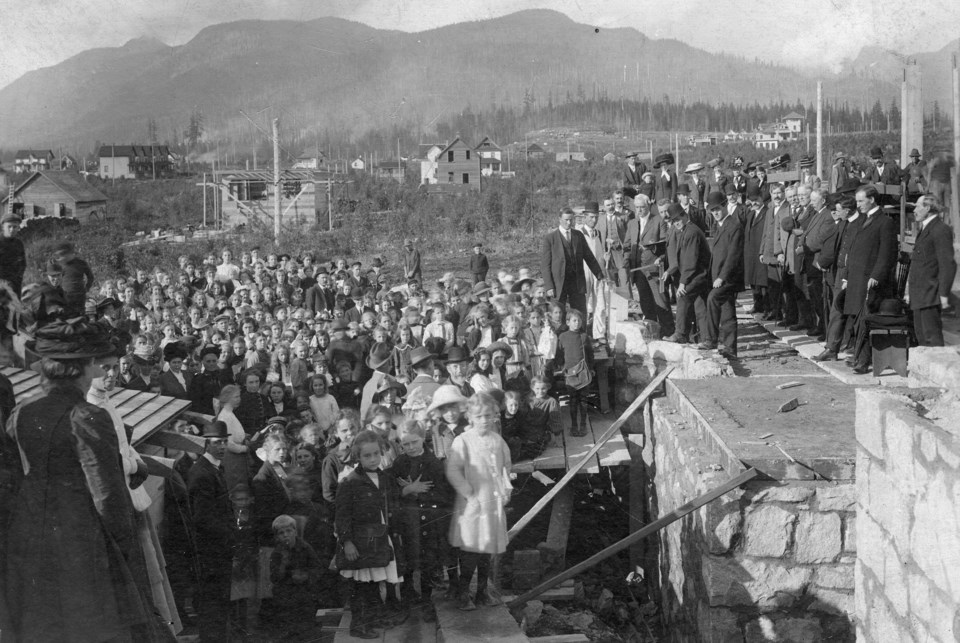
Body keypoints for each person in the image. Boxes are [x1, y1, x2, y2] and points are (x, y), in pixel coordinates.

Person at [0, 319, 173, 642]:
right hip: (80, 544)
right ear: (86, 367)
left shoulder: (22, 412)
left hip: (27, 541)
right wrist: (123, 554)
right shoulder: (88, 416)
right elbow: (108, 497)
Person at [336, 429, 405, 639]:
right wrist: (347, 542)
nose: (373, 459)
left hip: (381, 538)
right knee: (361, 584)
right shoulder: (350, 482)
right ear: (358, 456)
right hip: (361, 541)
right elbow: (342, 515)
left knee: (377, 581)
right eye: (367, 455)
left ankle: (373, 620)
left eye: (376, 454)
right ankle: (358, 625)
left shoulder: (384, 477)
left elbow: (391, 507)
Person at [446, 392, 512, 611]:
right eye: (479, 416)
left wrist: (506, 487)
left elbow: (505, 468)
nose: (484, 420)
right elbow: (453, 470)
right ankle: (463, 592)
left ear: (494, 416)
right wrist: (468, 493)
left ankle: (482, 591)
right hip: (472, 504)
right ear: (470, 417)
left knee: (488, 548)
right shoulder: (462, 441)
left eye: (488, 415)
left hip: (492, 503)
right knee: (471, 549)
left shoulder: (497, 440)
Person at [389, 421, 453, 621]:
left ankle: (427, 601)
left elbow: (442, 495)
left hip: (428, 520)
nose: (410, 447)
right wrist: (406, 489)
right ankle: (408, 597)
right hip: (407, 520)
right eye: (405, 444)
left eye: (414, 442)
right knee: (407, 558)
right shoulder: (399, 463)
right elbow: (391, 489)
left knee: (427, 560)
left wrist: (416, 492)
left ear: (422, 439)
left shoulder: (433, 463)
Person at [187, 420, 237, 642]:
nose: (222, 447)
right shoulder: (202, 473)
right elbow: (203, 519)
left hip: (218, 550)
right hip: (211, 552)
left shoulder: (215, 468)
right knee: (212, 605)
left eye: (225, 442)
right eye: (217, 442)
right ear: (206, 444)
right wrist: (230, 536)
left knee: (218, 604)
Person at [844, 185, 898, 373]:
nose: (857, 205)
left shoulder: (885, 222)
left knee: (867, 319)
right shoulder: (862, 220)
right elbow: (853, 250)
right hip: (858, 278)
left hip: (872, 281)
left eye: (861, 201)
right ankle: (859, 355)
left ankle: (864, 360)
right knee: (857, 319)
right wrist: (847, 275)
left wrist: (876, 275)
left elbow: (887, 254)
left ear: (872, 199)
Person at [906, 195, 957, 346]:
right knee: (921, 336)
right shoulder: (926, 228)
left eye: (917, 206)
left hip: (930, 293)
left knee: (931, 338)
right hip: (920, 293)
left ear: (927, 208)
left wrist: (943, 294)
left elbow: (947, 264)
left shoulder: (940, 229)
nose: (914, 210)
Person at [540, 208, 606, 319]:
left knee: (580, 312)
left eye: (571, 220)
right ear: (559, 219)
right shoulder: (550, 239)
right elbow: (545, 265)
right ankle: (560, 335)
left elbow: (589, 257)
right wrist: (549, 286)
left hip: (576, 282)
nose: (569, 223)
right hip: (558, 283)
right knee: (558, 313)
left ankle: (581, 335)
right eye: (566, 220)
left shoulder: (578, 235)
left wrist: (599, 275)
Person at [700, 191, 744, 356]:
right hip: (719, 276)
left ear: (725, 206)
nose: (716, 213)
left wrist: (721, 277)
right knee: (727, 310)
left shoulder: (734, 226)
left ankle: (711, 339)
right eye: (712, 210)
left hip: (729, 277)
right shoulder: (719, 226)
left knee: (713, 298)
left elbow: (733, 256)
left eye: (718, 209)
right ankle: (730, 348)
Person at [624, 193, 674, 338]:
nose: (639, 210)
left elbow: (666, 244)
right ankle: (653, 333)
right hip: (638, 270)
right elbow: (627, 245)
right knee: (645, 302)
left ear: (649, 206)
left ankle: (669, 332)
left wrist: (661, 258)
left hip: (655, 269)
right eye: (637, 207)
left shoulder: (658, 221)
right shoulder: (632, 223)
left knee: (661, 300)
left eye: (642, 207)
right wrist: (626, 262)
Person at [662, 203, 711, 344]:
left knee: (683, 297)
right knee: (701, 307)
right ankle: (706, 338)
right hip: (698, 273)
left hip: (700, 274)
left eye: (678, 219)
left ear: (685, 215)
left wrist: (683, 283)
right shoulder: (686, 230)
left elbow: (690, 261)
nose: (676, 223)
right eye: (673, 221)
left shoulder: (691, 232)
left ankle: (681, 334)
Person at [269, 514, 323, 641]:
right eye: (281, 533)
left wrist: (306, 576)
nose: (286, 535)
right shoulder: (277, 553)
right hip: (285, 594)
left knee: (306, 627)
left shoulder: (305, 547)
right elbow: (274, 578)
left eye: (289, 531)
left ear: (295, 531)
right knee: (288, 626)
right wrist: (283, 562)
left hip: (305, 592)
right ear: (277, 537)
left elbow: (318, 568)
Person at [555, 308, 593, 437]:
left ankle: (583, 424)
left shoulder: (584, 337)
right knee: (572, 400)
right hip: (570, 373)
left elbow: (590, 354)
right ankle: (574, 425)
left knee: (583, 400)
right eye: (574, 320)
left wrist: (591, 368)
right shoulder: (563, 337)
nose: (577, 323)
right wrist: (562, 367)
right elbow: (559, 354)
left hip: (583, 372)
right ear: (568, 322)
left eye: (579, 320)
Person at [577, 203, 610, 341]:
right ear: (585, 217)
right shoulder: (579, 233)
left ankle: (599, 334)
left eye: (596, 217)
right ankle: (582, 333)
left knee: (600, 304)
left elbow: (599, 254)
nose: (593, 220)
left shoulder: (598, 233)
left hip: (597, 272)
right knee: (583, 304)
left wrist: (603, 269)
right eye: (591, 217)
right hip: (584, 271)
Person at [0, 213, 25, 365]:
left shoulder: (18, 244)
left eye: (16, 227)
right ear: (2, 226)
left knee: (10, 329)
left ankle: (8, 363)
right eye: (10, 226)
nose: (13, 230)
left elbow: (22, 266)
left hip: (13, 292)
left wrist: (15, 284)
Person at [55, 242, 95, 318]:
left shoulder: (81, 263)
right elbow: (56, 281)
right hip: (66, 296)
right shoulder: (60, 265)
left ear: (71, 253)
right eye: (60, 255)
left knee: (80, 317)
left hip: (79, 296)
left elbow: (90, 277)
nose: (62, 257)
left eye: (64, 254)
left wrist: (87, 288)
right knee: (67, 317)